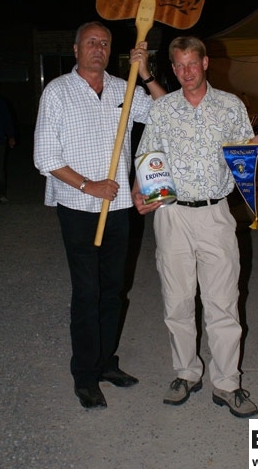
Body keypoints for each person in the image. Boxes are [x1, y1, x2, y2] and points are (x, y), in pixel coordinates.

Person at [131, 35, 258, 418]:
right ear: (172, 68)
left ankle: (227, 383)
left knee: (222, 302)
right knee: (177, 301)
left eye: (192, 64)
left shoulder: (230, 106)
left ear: (206, 63)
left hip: (215, 215)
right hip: (172, 215)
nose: (186, 72)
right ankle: (186, 373)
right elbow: (148, 154)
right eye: (179, 65)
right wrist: (139, 189)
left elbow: (241, 154)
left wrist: (254, 145)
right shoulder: (163, 109)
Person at [33, 21, 165, 410]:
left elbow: (166, 112)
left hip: (119, 208)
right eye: (90, 42)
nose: (98, 48)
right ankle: (85, 374)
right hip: (78, 207)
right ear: (76, 49)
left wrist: (145, 74)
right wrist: (88, 185)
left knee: (113, 289)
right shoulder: (57, 91)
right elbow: (44, 156)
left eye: (104, 43)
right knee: (87, 292)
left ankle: (106, 362)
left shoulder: (125, 88)